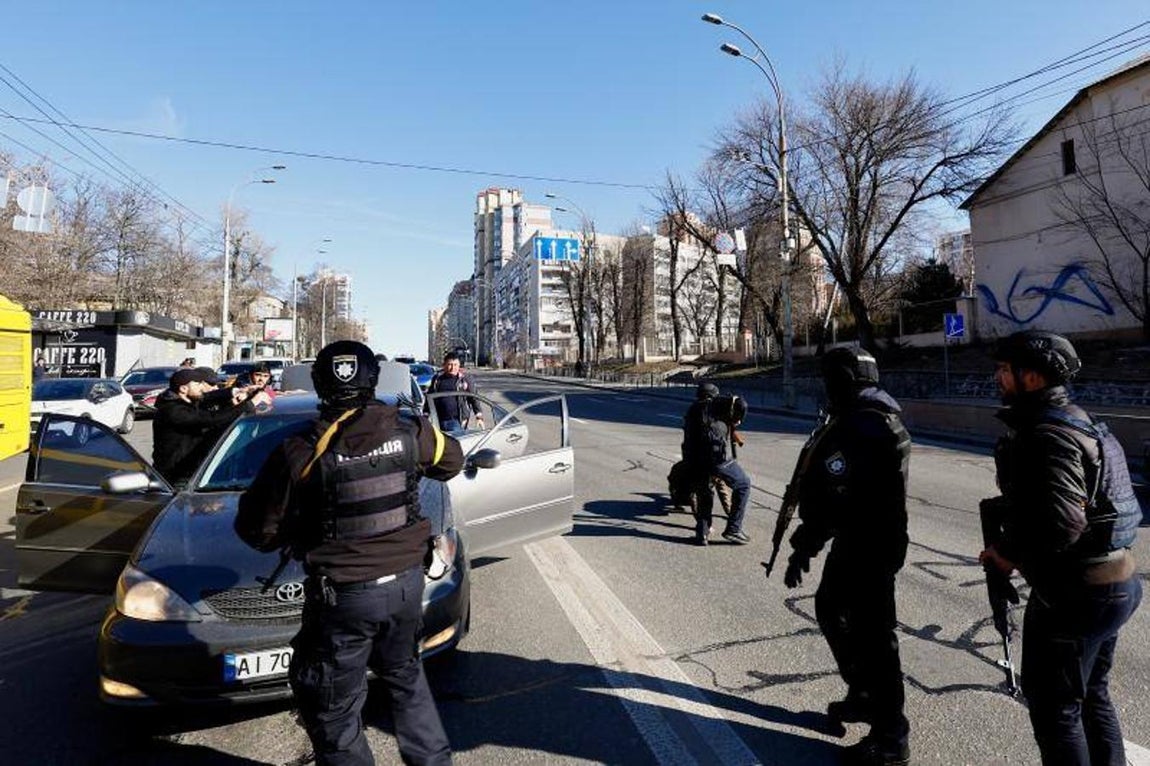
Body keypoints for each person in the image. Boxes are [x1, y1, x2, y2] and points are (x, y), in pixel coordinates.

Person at [235, 340, 463, 766]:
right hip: (406, 587)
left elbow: (257, 529)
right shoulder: (409, 429)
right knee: (407, 679)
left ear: (321, 386)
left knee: (334, 711)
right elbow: (451, 462)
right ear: (372, 381)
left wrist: (300, 527)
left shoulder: (301, 450)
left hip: (343, 598)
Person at [980, 330, 1142, 766]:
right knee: (1091, 696)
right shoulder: (1078, 420)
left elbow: (1063, 521)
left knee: (1055, 711)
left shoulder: (1047, 434)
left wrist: (1008, 553)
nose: (998, 378)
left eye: (1004, 371)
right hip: (1114, 582)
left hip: (1078, 594)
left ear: (1031, 378)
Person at [783, 347, 911, 766]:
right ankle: (863, 694)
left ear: (845, 380)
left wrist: (806, 543)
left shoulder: (864, 425)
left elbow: (838, 494)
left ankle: (891, 735)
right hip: (862, 538)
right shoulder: (866, 415)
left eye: (831, 379)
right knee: (831, 608)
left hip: (869, 543)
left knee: (875, 638)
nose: (826, 388)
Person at [152, 367, 270, 486]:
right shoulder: (173, 411)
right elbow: (212, 419)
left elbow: (207, 398)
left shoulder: (187, 401)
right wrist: (251, 404)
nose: (201, 388)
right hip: (176, 476)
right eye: (197, 385)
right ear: (183, 389)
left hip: (194, 470)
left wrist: (238, 391)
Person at [681, 382, 752, 546]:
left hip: (694, 460)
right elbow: (741, 403)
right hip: (716, 459)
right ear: (714, 394)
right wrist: (738, 418)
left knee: (704, 494)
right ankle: (734, 529)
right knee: (743, 484)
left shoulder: (692, 409)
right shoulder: (716, 404)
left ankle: (702, 534)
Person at [426, 351, 483, 432]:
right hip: (438, 420)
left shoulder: (464, 379)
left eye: (455, 365)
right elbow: (430, 396)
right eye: (450, 365)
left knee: (454, 440)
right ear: (444, 365)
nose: (453, 368)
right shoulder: (437, 379)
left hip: (457, 420)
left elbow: (474, 398)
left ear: (459, 365)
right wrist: (425, 413)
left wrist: (479, 416)